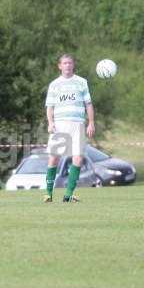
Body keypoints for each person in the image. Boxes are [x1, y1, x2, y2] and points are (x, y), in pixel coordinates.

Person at [44, 54, 95, 203]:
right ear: (59, 66)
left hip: (78, 123)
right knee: (54, 158)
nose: (67, 65)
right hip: (60, 124)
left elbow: (88, 104)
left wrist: (91, 122)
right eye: (64, 63)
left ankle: (68, 194)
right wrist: (50, 122)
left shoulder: (81, 82)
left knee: (78, 157)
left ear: (73, 65)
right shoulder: (54, 84)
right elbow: (50, 106)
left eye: (70, 63)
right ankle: (48, 193)